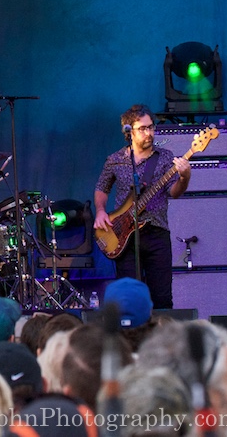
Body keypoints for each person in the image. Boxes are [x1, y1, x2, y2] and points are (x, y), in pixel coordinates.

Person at [93, 104, 191, 308]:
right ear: (128, 132)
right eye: (143, 129)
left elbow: (174, 192)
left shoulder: (164, 157)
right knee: (128, 299)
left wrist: (185, 177)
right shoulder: (115, 160)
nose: (149, 133)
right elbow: (102, 188)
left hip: (157, 233)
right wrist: (101, 211)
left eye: (151, 127)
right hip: (124, 235)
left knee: (162, 299)